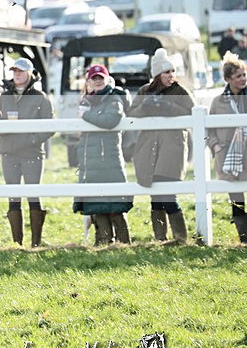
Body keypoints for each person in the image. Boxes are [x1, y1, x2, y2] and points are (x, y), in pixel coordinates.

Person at [128, 48, 195, 243]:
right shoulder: (144, 91)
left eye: (172, 71)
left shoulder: (180, 91)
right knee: (155, 196)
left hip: (172, 147)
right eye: (167, 72)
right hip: (149, 148)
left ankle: (180, 238)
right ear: (157, 74)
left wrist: (169, 107)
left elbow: (193, 114)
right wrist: (145, 106)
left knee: (167, 193)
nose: (171, 75)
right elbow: (131, 115)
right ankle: (160, 238)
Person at [0, 58, 54, 247]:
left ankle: (36, 242)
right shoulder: (3, 97)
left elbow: (50, 126)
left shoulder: (41, 97)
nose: (17, 74)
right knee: (13, 197)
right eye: (14, 71)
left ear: (29, 73)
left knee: (33, 195)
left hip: (32, 154)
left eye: (20, 71)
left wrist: (32, 140)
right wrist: (3, 129)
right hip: (9, 153)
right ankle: (16, 243)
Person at [72, 64, 133, 246]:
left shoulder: (114, 98)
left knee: (114, 206)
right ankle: (104, 243)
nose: (97, 81)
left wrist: (86, 115)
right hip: (91, 161)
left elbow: (110, 120)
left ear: (107, 79)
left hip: (108, 159)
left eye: (101, 78)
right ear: (89, 81)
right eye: (94, 78)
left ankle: (123, 244)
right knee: (97, 206)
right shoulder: (88, 100)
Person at [207, 52, 247, 243]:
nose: (243, 79)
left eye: (244, 74)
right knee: (236, 199)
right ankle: (244, 238)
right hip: (228, 158)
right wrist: (215, 147)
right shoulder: (218, 102)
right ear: (228, 79)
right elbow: (209, 130)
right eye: (239, 76)